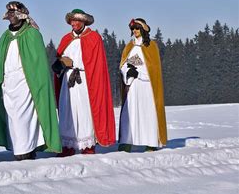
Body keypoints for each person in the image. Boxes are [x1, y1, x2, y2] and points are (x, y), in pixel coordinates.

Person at [0, 1, 61, 160]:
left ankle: (26, 152)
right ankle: (19, 150)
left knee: (25, 120)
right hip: (9, 86)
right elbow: (1, 63)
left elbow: (38, 65)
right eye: (9, 13)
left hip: (26, 85)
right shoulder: (5, 37)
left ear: (22, 14)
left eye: (14, 12)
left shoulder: (32, 34)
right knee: (13, 121)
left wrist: (36, 84)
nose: (11, 15)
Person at [53, 9, 116, 156]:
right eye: (72, 21)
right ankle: (67, 145)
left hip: (85, 81)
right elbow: (60, 57)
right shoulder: (66, 39)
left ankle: (87, 146)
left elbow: (96, 63)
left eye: (77, 21)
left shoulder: (94, 38)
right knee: (67, 111)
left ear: (84, 22)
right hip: (67, 81)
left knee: (84, 111)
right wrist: (59, 64)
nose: (74, 24)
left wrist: (77, 64)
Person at [118, 18, 167, 152]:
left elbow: (153, 69)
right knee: (129, 113)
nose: (135, 31)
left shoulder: (151, 46)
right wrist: (128, 71)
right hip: (132, 87)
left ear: (143, 29)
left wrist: (139, 74)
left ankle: (150, 142)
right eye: (133, 29)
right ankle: (126, 141)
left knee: (148, 113)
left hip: (146, 87)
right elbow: (122, 64)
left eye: (137, 28)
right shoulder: (129, 46)